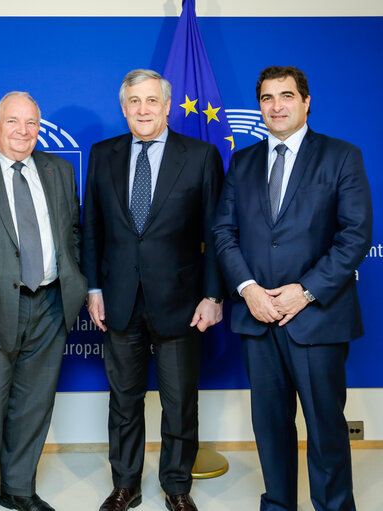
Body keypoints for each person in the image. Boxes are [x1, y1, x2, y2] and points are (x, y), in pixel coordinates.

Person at [213, 66, 372, 511]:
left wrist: (304, 291)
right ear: (259, 105)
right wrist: (248, 290)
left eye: (286, 96)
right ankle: (279, 504)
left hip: (318, 316)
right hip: (258, 316)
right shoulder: (242, 161)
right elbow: (224, 232)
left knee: (325, 428)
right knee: (270, 426)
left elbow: (355, 236)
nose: (276, 105)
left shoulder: (342, 156)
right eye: (267, 98)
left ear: (306, 102)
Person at [81, 69, 224, 511]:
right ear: (123, 108)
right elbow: (91, 230)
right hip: (120, 300)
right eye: (133, 102)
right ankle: (125, 484)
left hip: (182, 302)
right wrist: (94, 288)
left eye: (151, 101)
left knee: (180, 403)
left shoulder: (201, 155)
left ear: (166, 106)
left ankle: (177, 486)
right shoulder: (103, 154)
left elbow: (217, 232)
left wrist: (214, 295)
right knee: (124, 402)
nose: (143, 109)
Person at [0, 91, 87, 511]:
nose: (23, 131)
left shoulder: (59, 169)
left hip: (49, 304)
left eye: (31, 122)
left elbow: (73, 233)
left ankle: (18, 488)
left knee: (33, 405)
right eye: (13, 121)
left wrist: (76, 283)